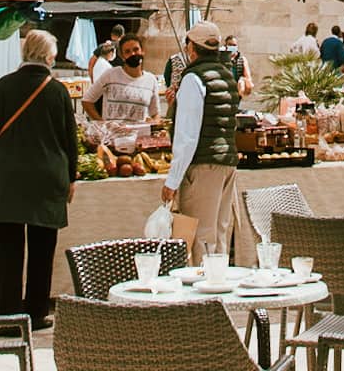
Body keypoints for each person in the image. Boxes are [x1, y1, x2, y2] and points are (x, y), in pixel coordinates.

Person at [0, 28, 76, 335]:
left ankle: (9, 318)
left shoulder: (3, 88)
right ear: (47, 56)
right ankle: (37, 313)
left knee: (8, 252)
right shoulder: (58, 91)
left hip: (6, 179)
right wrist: (71, 177)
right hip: (47, 179)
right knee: (43, 250)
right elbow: (69, 140)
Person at [160, 22, 241, 253]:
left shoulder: (194, 78)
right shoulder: (227, 75)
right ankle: (220, 282)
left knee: (201, 237)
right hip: (227, 161)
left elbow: (187, 134)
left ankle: (204, 285)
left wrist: (172, 180)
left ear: (192, 49)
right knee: (219, 233)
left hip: (204, 164)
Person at [82, 34, 160, 127]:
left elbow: (155, 114)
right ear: (122, 56)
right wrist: (102, 124)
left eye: (136, 49)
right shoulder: (110, 75)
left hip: (140, 138)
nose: (133, 54)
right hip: (113, 138)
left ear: (142, 51)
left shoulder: (151, 80)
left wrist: (154, 123)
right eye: (127, 51)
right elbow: (87, 101)